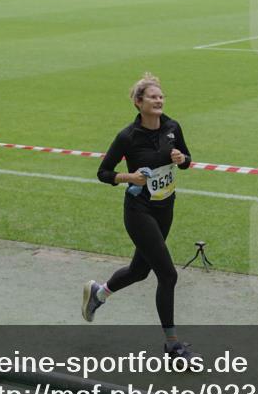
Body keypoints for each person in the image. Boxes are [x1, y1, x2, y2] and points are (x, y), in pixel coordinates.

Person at [82, 73, 196, 359]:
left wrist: (183, 160)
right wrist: (129, 177)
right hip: (139, 212)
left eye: (161, 96)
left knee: (139, 271)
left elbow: (187, 160)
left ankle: (98, 294)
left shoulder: (172, 127)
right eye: (153, 97)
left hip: (165, 208)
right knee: (167, 275)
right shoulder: (128, 137)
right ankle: (172, 344)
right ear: (138, 102)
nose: (159, 100)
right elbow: (103, 172)